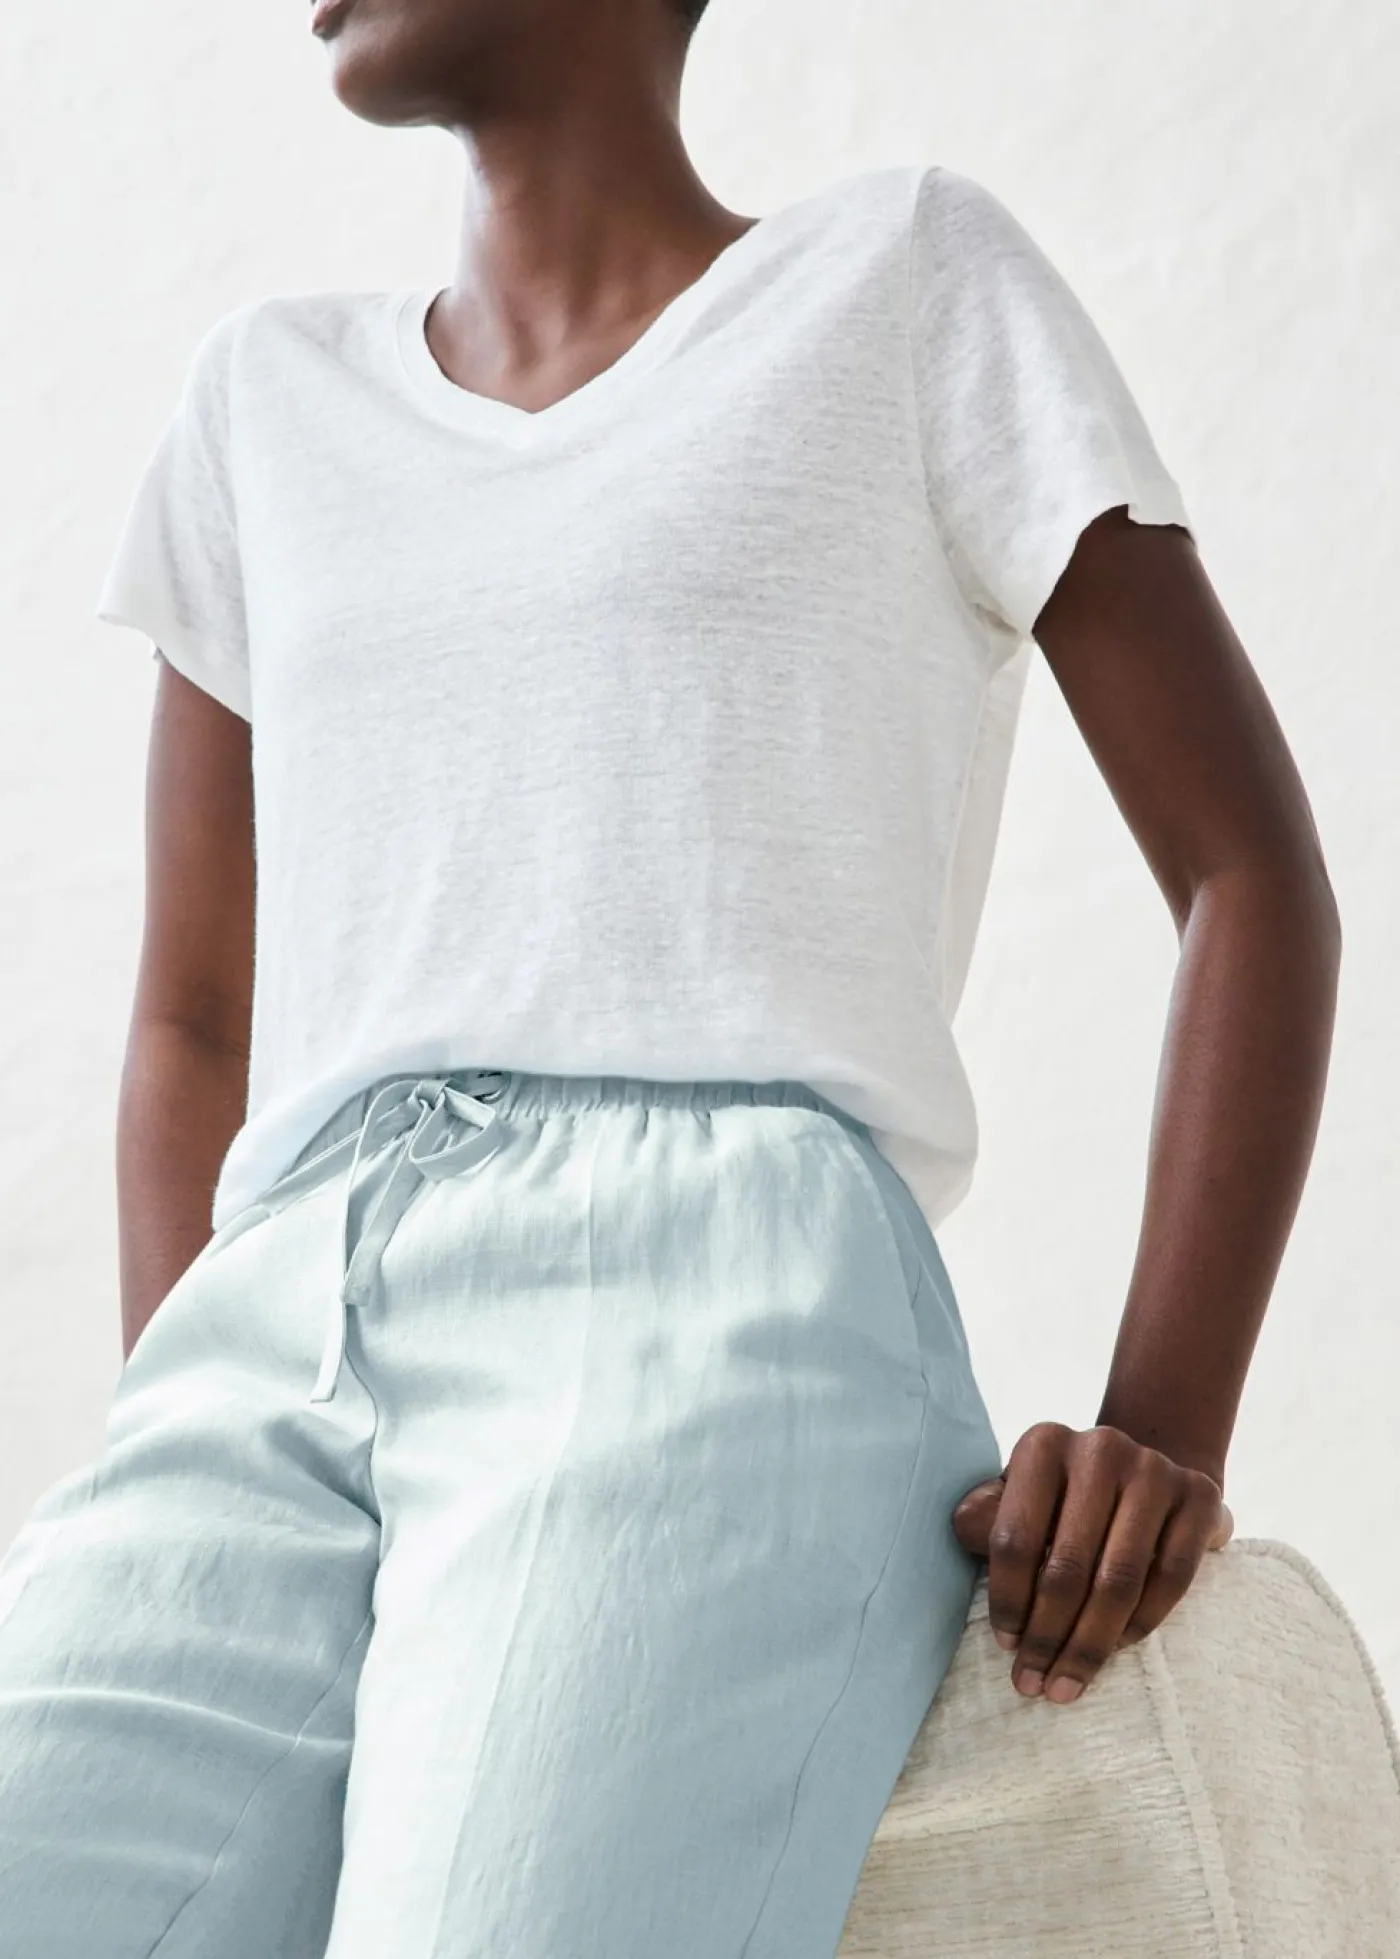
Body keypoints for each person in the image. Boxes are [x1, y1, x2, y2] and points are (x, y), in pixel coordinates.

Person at [0, 0, 1340, 1951]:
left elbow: (1246, 869)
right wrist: (179, 1425)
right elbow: (192, 1020)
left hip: (709, 1306)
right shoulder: (260, 403)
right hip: (267, 1323)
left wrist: (1170, 1424)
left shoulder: (900, 279)